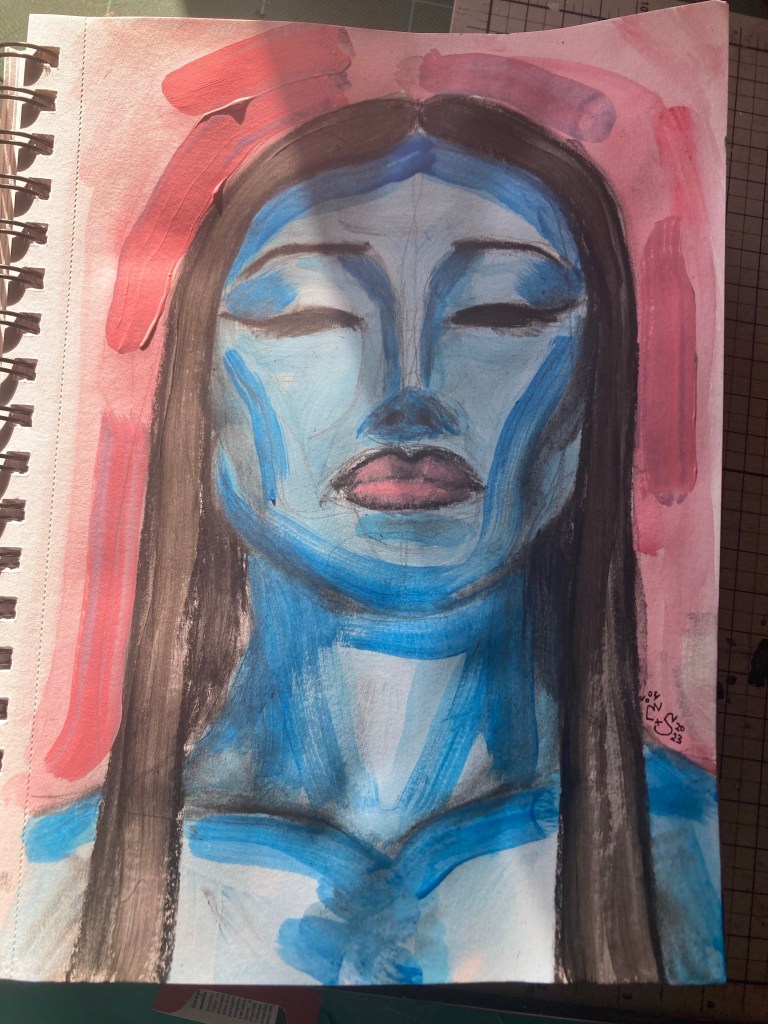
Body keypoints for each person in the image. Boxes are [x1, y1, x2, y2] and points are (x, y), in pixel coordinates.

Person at [13, 94, 724, 986]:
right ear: (201, 397)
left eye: (501, 314)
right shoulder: (56, 888)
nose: (408, 391)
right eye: (305, 318)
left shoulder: (686, 855)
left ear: (593, 391)